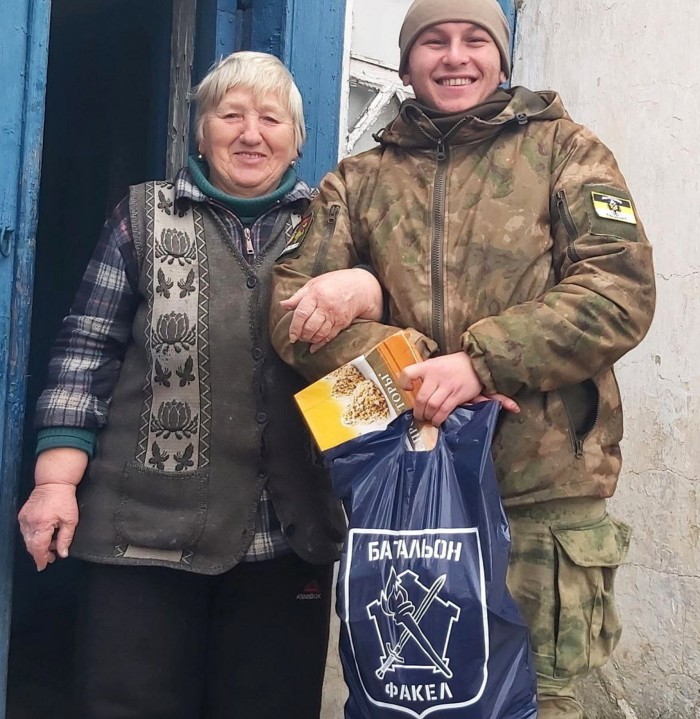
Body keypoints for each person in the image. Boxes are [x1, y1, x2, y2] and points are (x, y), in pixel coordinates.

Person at [270, 1, 656, 717]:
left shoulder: (565, 152)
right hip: (406, 497)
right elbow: (291, 317)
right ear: (408, 61)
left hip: (540, 502)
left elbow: (619, 290)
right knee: (412, 696)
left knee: (536, 701)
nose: (454, 57)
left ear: (501, 57)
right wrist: (408, 365)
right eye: (433, 42)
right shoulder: (358, 180)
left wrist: (481, 363)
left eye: (475, 40)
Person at [17, 51, 380, 719]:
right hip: (142, 535)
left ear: (297, 138)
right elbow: (84, 351)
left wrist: (366, 285)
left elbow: (383, 361)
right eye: (231, 114)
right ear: (201, 130)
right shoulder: (143, 216)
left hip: (285, 535)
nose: (251, 133)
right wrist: (54, 483)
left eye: (270, 118)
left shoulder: (336, 230)